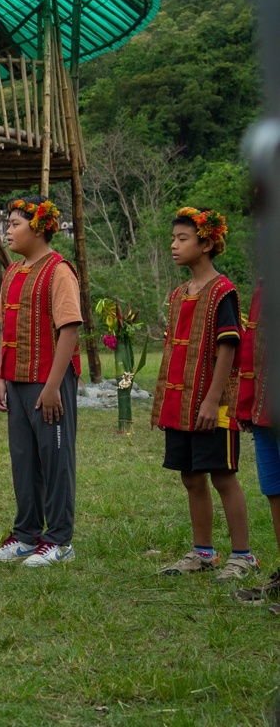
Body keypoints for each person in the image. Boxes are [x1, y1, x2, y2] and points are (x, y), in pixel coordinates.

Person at [149, 208, 256, 580]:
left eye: (183, 239)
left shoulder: (222, 291)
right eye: (173, 238)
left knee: (222, 475)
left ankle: (243, 555)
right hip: (182, 404)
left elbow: (228, 346)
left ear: (207, 243)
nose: (174, 245)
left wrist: (212, 400)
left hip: (214, 404)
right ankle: (204, 552)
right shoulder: (180, 294)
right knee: (191, 477)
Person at [0, 196, 82, 568]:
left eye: (14, 224)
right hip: (17, 381)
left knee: (55, 460)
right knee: (24, 460)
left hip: (49, 384)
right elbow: (4, 329)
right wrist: (0, 378)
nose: (7, 230)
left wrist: (54, 386)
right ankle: (26, 535)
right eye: (7, 223)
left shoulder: (58, 271)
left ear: (39, 228)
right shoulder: (12, 273)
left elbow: (69, 330)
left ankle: (59, 539)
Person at [236, 283, 280, 609]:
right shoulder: (265, 286)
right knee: (274, 489)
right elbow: (252, 345)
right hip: (266, 410)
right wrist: (246, 404)